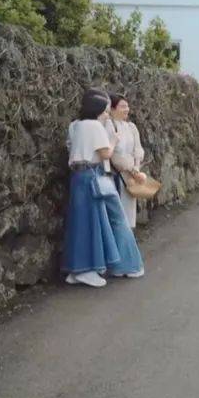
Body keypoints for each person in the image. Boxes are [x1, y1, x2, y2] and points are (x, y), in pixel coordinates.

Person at [63, 90, 144, 287]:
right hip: (93, 176)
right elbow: (106, 153)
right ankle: (112, 267)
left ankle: (77, 270)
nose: (107, 114)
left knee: (80, 223)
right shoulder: (95, 126)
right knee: (104, 221)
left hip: (77, 176)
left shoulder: (75, 125)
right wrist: (114, 140)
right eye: (106, 110)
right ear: (97, 109)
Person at [108, 93, 148, 228]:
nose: (127, 109)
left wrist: (136, 167)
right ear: (112, 109)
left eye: (127, 106)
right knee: (118, 212)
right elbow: (114, 156)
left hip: (132, 175)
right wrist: (133, 170)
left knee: (129, 212)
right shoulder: (109, 125)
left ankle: (129, 237)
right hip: (117, 174)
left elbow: (138, 149)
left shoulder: (131, 127)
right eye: (122, 106)